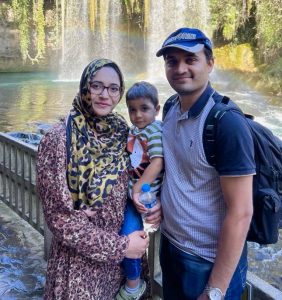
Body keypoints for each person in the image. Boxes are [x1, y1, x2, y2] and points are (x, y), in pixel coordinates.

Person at [36, 59, 161, 300]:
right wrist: (122, 247)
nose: (105, 95)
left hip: (120, 268)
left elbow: (141, 172)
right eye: (97, 86)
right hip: (80, 271)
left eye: (113, 88)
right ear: (85, 87)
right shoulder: (58, 139)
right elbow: (61, 221)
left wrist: (156, 203)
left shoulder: (121, 130)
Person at [156, 27, 255, 300]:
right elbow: (176, 172)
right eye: (172, 61)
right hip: (171, 247)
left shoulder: (226, 123)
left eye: (191, 59)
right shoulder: (171, 108)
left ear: (210, 64)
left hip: (207, 261)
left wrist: (215, 290)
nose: (180, 68)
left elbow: (242, 211)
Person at [116, 81, 164, 300]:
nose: (137, 115)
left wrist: (135, 189)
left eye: (144, 109)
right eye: (132, 110)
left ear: (157, 109)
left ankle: (134, 285)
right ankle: (134, 283)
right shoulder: (136, 130)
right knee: (128, 238)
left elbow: (157, 163)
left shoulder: (154, 131)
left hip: (145, 198)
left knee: (130, 236)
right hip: (134, 199)